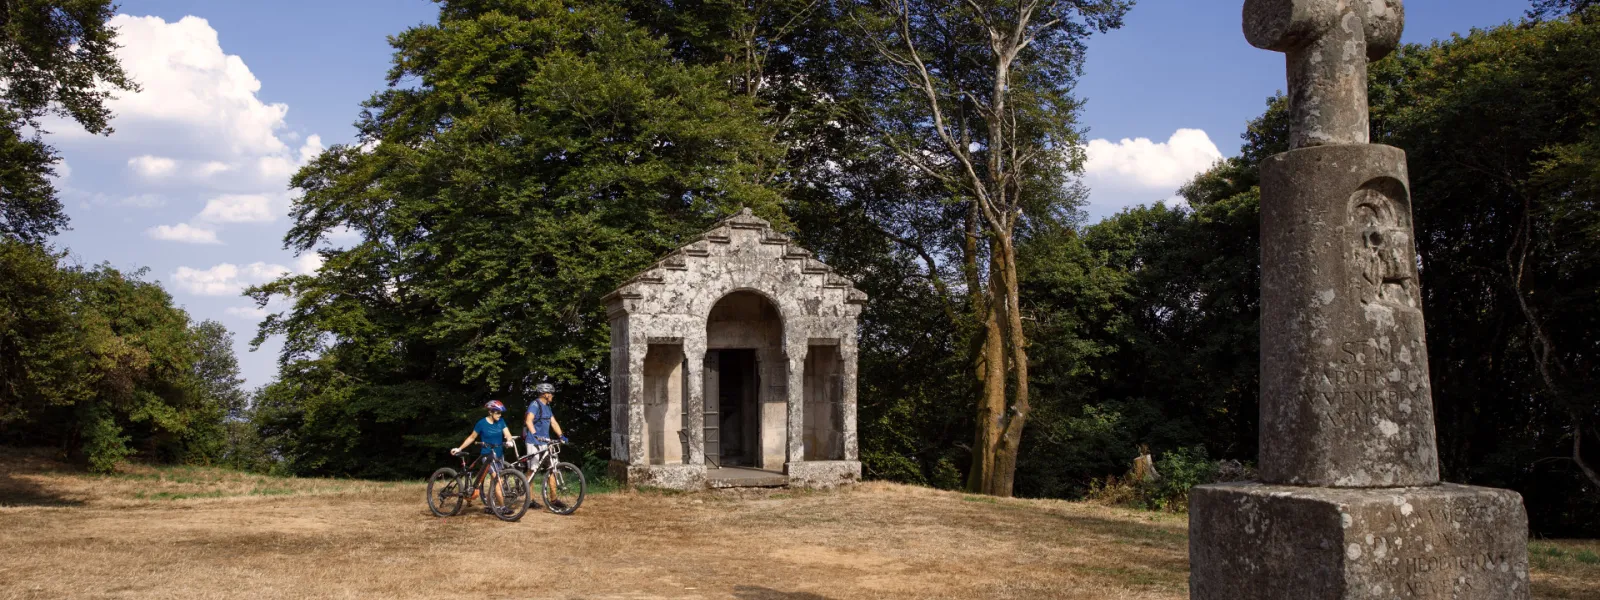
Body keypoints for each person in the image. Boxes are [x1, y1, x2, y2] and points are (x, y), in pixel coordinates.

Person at [453, 400, 515, 514]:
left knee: (494, 480)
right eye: (497, 412)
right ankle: (502, 507)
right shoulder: (481, 423)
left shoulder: (501, 421)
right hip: (487, 456)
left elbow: (507, 434)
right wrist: (459, 448)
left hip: (499, 455)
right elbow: (472, 437)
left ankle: (490, 506)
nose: (499, 415)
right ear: (490, 412)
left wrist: (509, 441)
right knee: (497, 479)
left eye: (500, 413)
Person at [524, 383, 568, 509]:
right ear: (545, 394)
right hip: (533, 442)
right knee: (532, 470)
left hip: (546, 442)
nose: (553, 396)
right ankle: (530, 499)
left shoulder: (548, 407)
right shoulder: (535, 404)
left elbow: (553, 422)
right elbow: (528, 420)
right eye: (551, 393)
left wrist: (561, 436)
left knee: (552, 469)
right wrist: (535, 434)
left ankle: (553, 500)